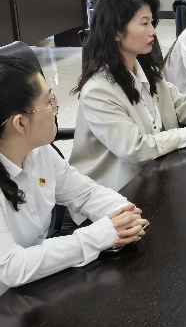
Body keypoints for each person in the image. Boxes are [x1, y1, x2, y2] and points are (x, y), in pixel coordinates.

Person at [71, 0, 186, 191]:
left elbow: (179, 103)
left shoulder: (145, 70)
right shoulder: (98, 90)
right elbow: (134, 149)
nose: (153, 31)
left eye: (152, 23)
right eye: (144, 23)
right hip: (116, 189)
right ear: (117, 32)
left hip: (157, 172)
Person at [0, 55, 149, 289]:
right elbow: (12, 267)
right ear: (20, 123)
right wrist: (97, 236)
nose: (55, 107)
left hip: (39, 284)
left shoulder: (39, 151)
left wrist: (122, 213)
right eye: (49, 101)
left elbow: (86, 193)